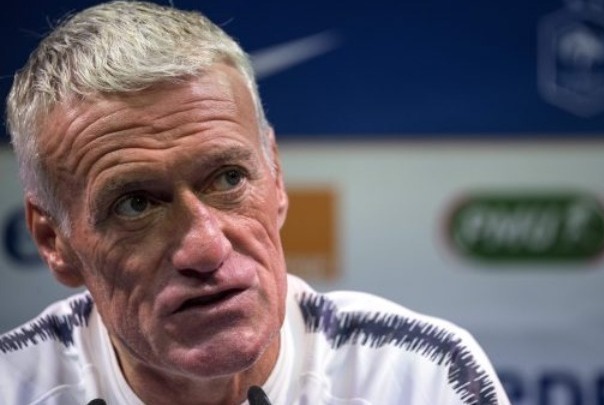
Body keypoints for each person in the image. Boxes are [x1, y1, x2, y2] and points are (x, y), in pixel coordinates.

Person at [0, 1, 510, 404]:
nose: (205, 249)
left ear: (276, 177)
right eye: (135, 205)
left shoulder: (420, 378)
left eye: (228, 178)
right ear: (54, 241)